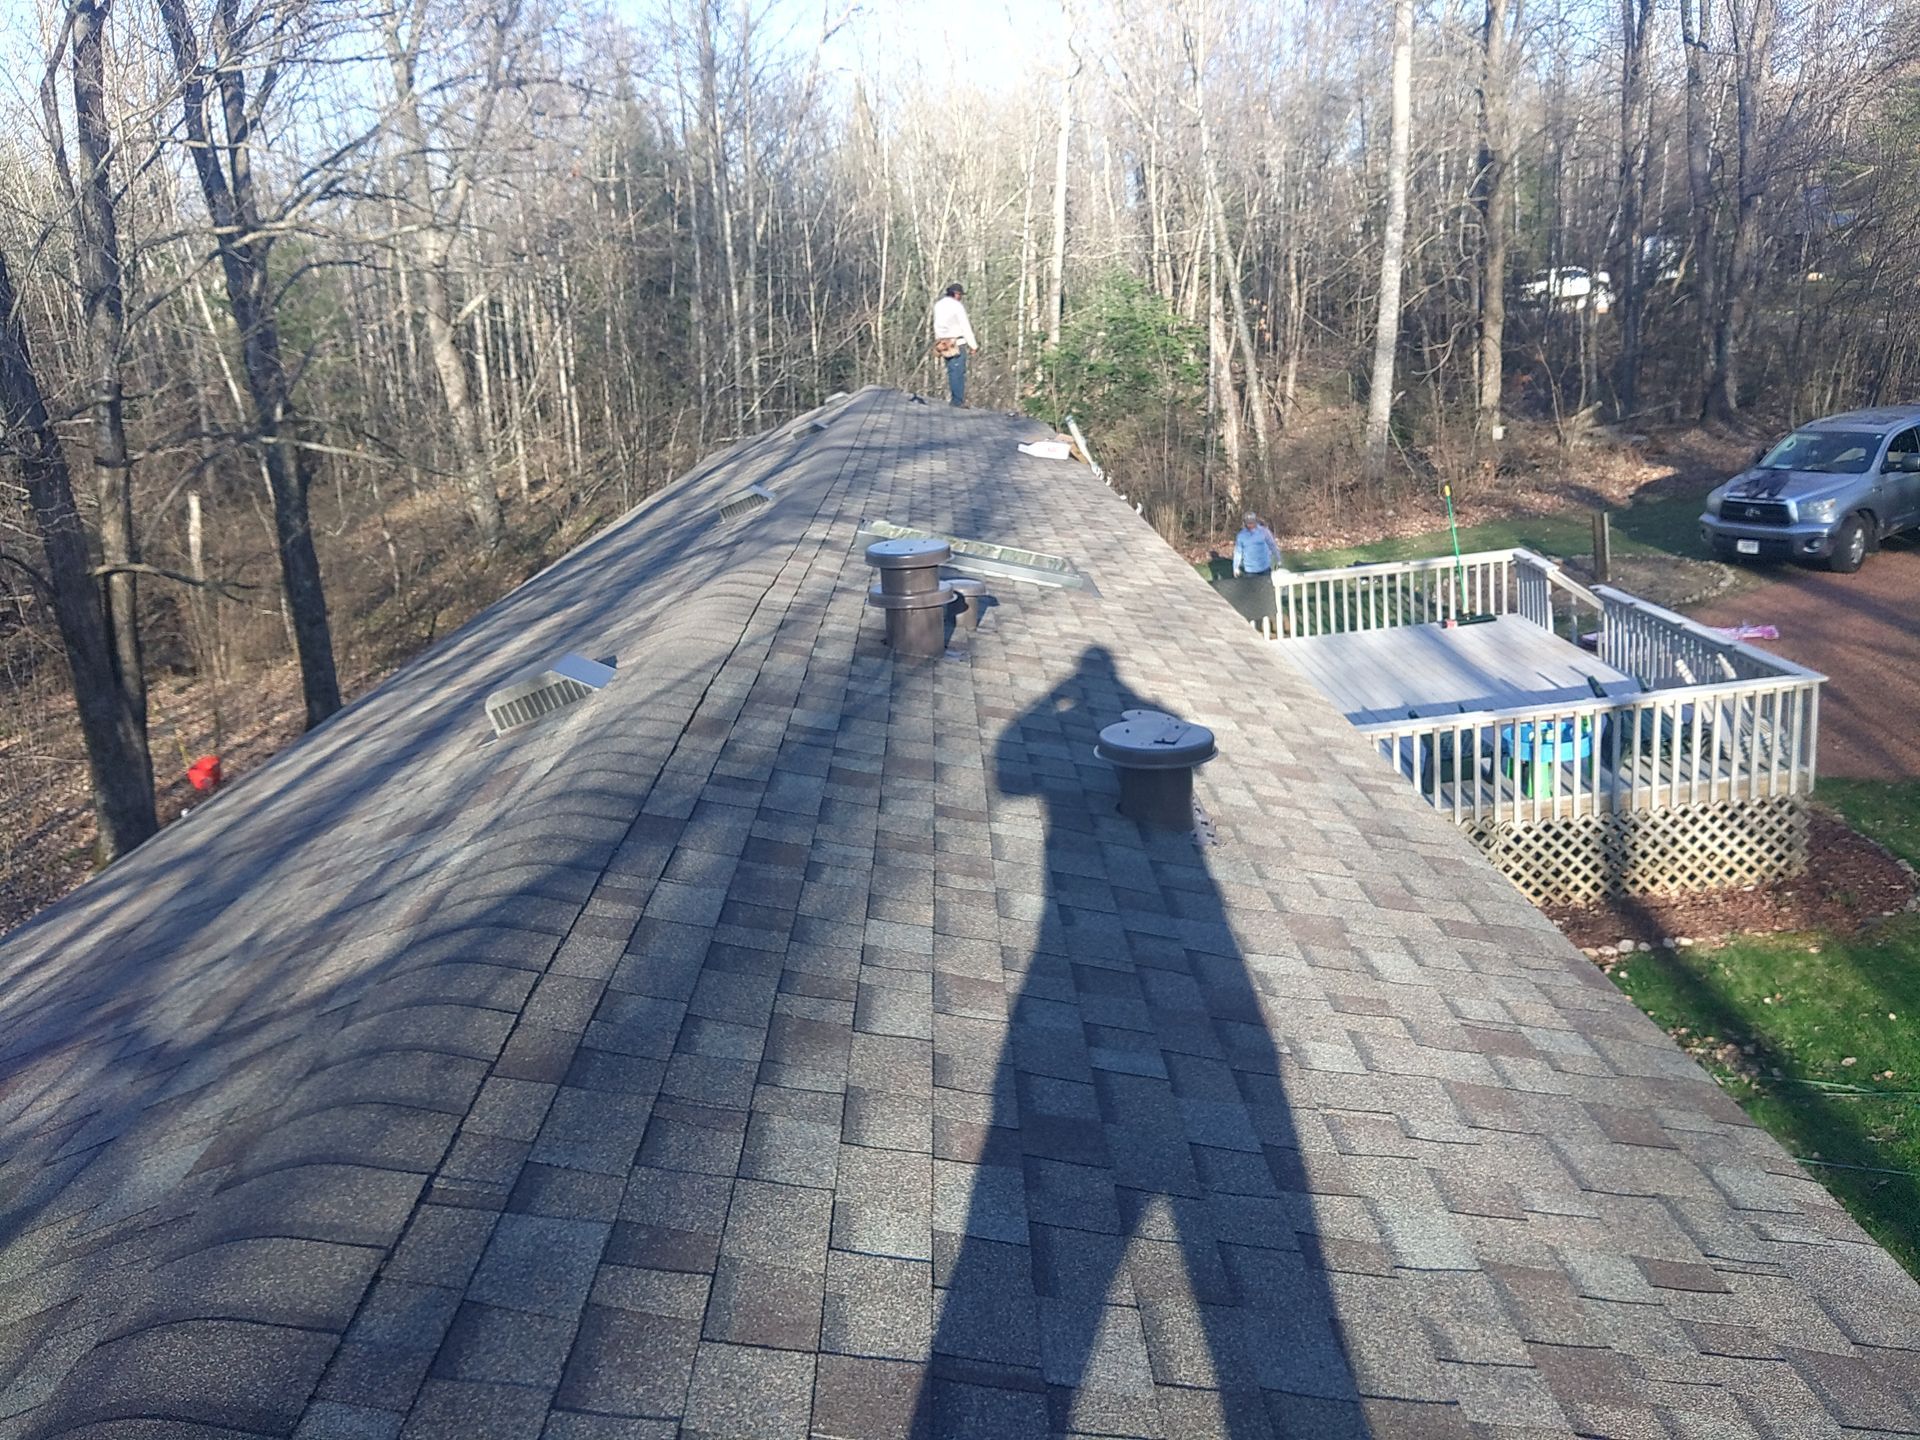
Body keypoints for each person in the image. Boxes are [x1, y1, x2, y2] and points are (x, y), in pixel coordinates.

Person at [932, 282, 979, 406]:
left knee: (951, 370)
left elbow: (936, 324)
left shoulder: (938, 305)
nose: (961, 297)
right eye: (960, 294)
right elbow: (965, 326)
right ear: (956, 294)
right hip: (957, 342)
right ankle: (957, 400)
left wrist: (938, 340)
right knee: (958, 372)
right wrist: (973, 345)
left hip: (943, 342)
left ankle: (955, 398)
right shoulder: (957, 306)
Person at [1232, 510, 1282, 578]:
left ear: (1255, 521)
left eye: (1252, 522)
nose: (1250, 525)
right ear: (1245, 523)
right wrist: (1235, 567)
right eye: (1248, 523)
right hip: (1250, 570)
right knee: (1252, 588)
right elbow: (1238, 552)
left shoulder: (1264, 531)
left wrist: (1278, 559)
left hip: (1264, 567)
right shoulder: (1241, 536)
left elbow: (1272, 545)